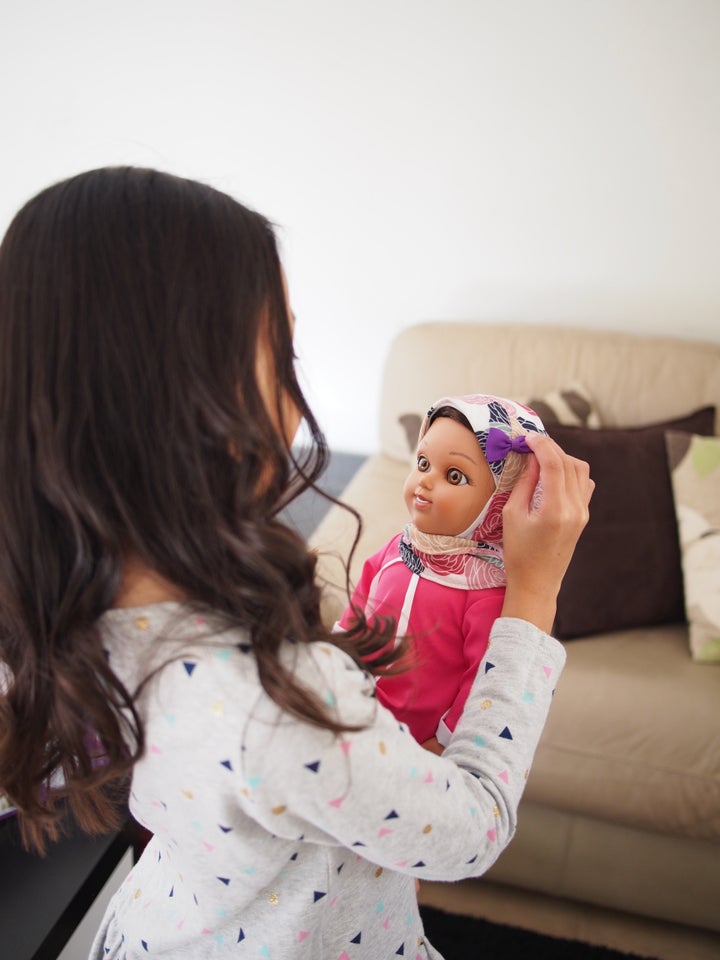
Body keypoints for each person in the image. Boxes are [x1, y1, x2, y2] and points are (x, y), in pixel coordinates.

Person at [0, 167, 593, 960]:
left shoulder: (57, 602)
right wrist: (535, 595)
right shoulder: (279, 703)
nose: (293, 387)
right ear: (184, 391)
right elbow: (472, 829)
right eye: (281, 347)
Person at [337, 395, 547, 755]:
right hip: (348, 709)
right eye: (422, 463)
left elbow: (481, 679)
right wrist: (333, 660)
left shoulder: (488, 591)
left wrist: (445, 739)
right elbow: (359, 607)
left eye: (454, 475)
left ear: (501, 502)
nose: (425, 481)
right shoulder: (397, 547)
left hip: (414, 744)